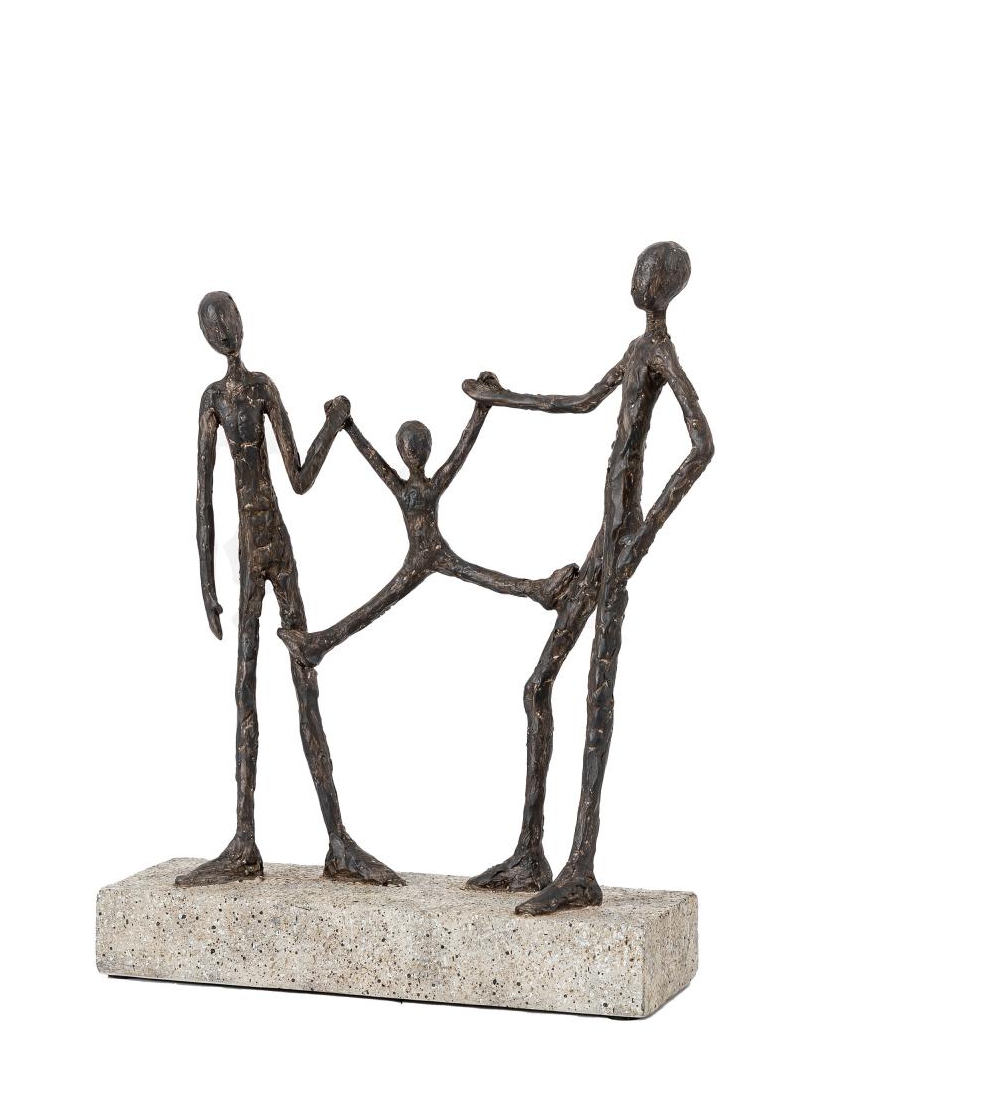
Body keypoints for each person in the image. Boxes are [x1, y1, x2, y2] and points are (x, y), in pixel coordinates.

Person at [463, 243, 714, 915]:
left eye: (648, 272)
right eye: (637, 269)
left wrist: (643, 536)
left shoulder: (660, 354)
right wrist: (499, 398)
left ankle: (581, 868)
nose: (638, 279)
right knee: (539, 685)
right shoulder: (636, 351)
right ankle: (531, 853)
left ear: (666, 285)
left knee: (595, 697)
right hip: (604, 540)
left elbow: (702, 446)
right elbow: (578, 403)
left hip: (620, 541)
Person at [175, 292, 402, 889]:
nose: (226, 331)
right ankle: (245, 841)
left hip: (276, 542)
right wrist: (207, 583)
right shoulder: (215, 399)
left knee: (304, 682)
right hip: (254, 550)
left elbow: (298, 476)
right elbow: (204, 496)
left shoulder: (260, 388)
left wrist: (332, 426)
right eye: (216, 325)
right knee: (246, 686)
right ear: (210, 337)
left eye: (228, 320)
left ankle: (337, 841)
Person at [278, 382, 577, 668]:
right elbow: (457, 451)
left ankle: (319, 644)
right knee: (471, 578)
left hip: (427, 556)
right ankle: (537, 589)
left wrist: (350, 427)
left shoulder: (407, 486)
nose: (414, 452)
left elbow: (381, 458)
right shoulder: (421, 485)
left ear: (405, 451)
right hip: (425, 556)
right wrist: (480, 410)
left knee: (378, 605)